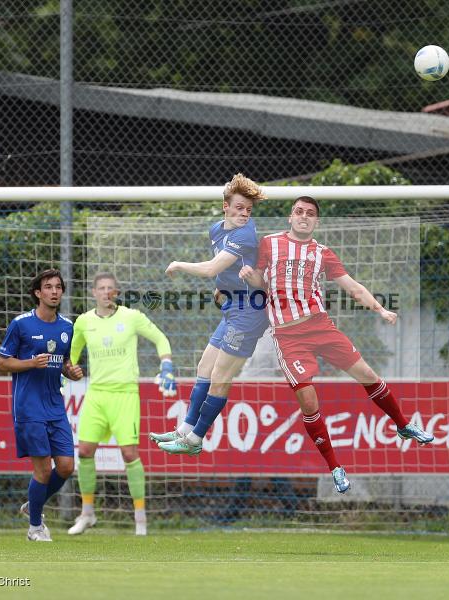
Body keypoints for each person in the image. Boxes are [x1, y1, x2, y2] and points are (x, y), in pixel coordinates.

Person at [238, 196, 433, 494]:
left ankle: (403, 425)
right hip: (289, 338)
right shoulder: (269, 243)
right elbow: (262, 283)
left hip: (320, 327)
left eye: (310, 214)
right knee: (309, 403)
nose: (304, 217)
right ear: (291, 217)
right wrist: (250, 277)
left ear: (316, 222)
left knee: (368, 375)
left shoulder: (323, 254)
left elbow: (353, 288)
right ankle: (335, 467)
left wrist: (381, 310)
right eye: (299, 212)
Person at [149, 173, 270, 455]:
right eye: (239, 208)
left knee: (220, 375)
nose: (244, 214)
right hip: (231, 309)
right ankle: (185, 429)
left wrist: (178, 264)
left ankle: (195, 440)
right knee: (204, 367)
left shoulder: (245, 233)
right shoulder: (216, 229)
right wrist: (221, 289)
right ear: (225, 206)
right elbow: (225, 271)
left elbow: (212, 268)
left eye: (249, 210)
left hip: (250, 312)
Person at [67, 272, 176, 536]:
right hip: (96, 395)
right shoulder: (83, 322)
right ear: (93, 292)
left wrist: (167, 365)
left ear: (116, 293)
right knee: (83, 452)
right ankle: (87, 513)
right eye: (101, 288)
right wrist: (67, 371)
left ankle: (140, 520)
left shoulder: (131, 317)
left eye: (111, 288)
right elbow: (71, 353)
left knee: (129, 454)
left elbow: (161, 339)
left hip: (125, 394)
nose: (106, 292)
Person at [0, 268, 84, 542]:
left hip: (55, 406)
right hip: (28, 406)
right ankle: (35, 527)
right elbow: (2, 363)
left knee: (67, 467)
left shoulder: (67, 327)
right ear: (38, 293)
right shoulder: (21, 324)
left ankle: (33, 504)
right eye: (48, 287)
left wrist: (70, 371)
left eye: (58, 287)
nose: (54, 291)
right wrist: (30, 363)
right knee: (43, 469)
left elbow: (63, 362)